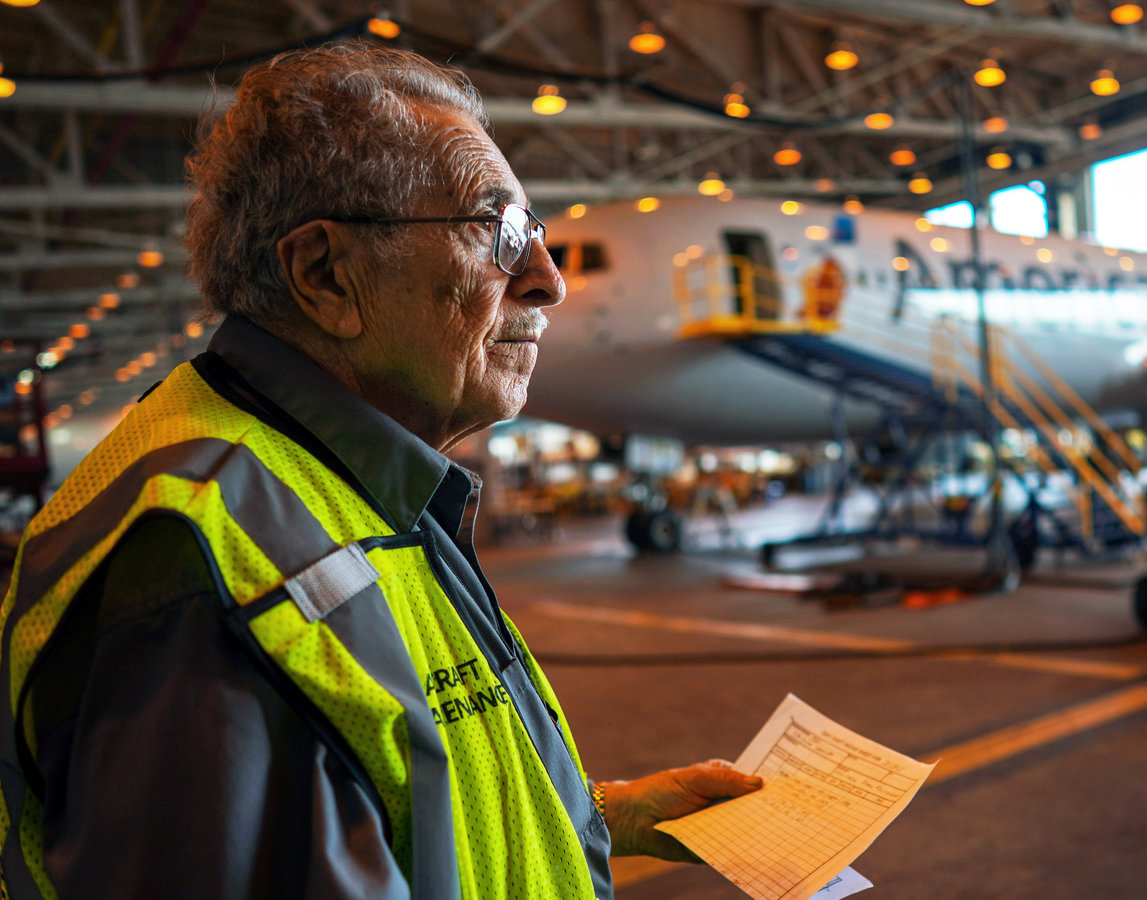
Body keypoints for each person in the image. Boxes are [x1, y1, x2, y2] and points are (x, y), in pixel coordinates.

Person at [0, 43, 760, 898]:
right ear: (326, 275)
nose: (546, 281)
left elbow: (396, 784)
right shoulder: (199, 575)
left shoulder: (353, 483)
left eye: (535, 234)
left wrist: (605, 814)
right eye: (495, 230)